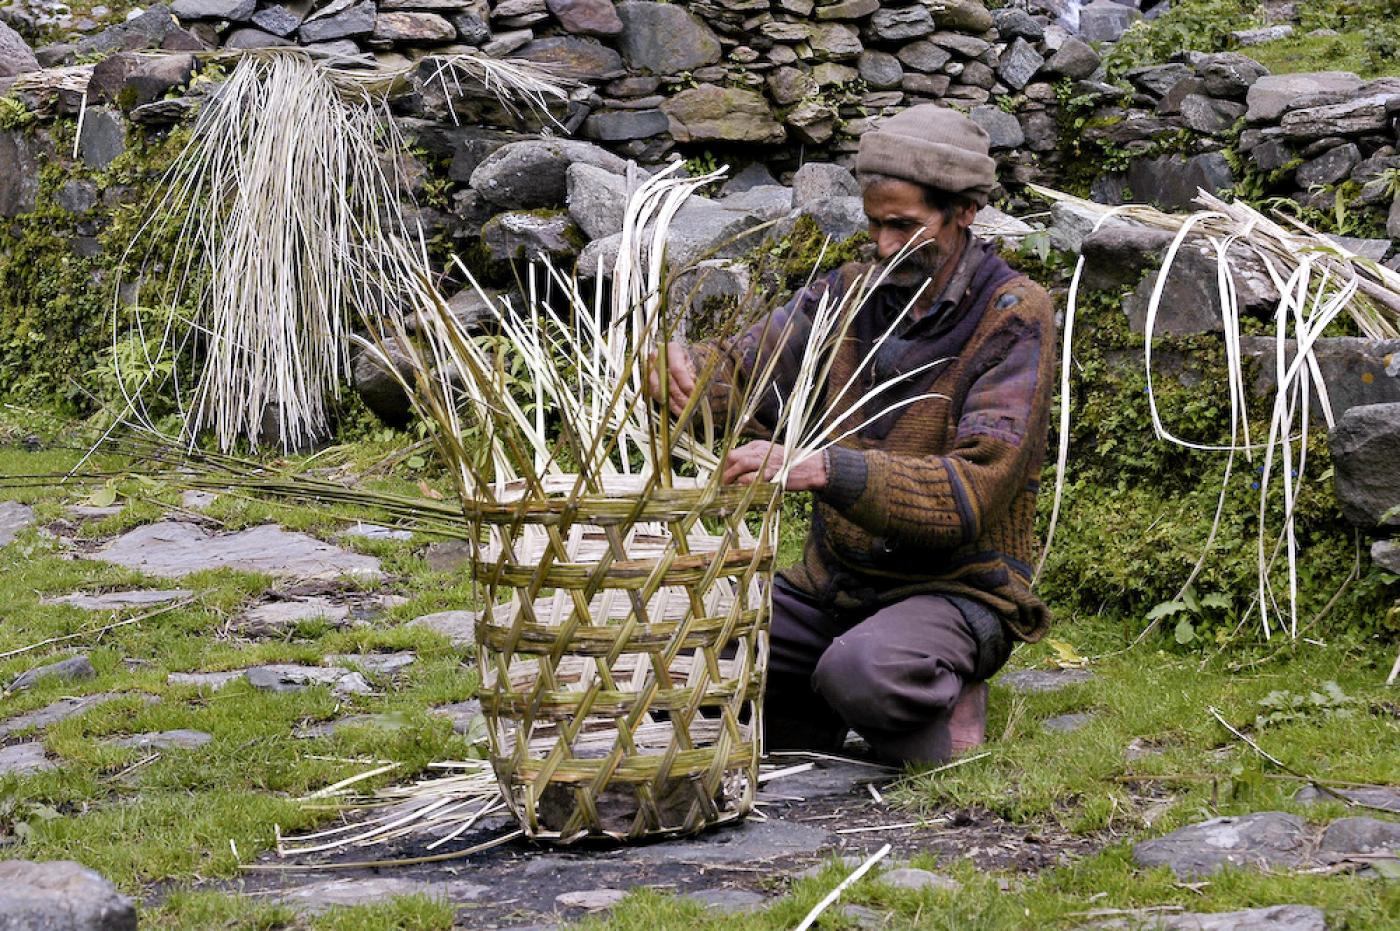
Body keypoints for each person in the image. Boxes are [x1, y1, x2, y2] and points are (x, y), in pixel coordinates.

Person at [648, 105, 1056, 765]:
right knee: (686, 643)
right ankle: (817, 703)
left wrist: (825, 468)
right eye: (875, 223)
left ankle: (944, 693)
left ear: (964, 212)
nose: (886, 243)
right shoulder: (847, 292)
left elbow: (969, 493)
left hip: (957, 587)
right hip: (835, 584)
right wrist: (680, 373)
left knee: (862, 671)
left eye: (905, 225)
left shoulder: (1013, 313)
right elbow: (744, 371)